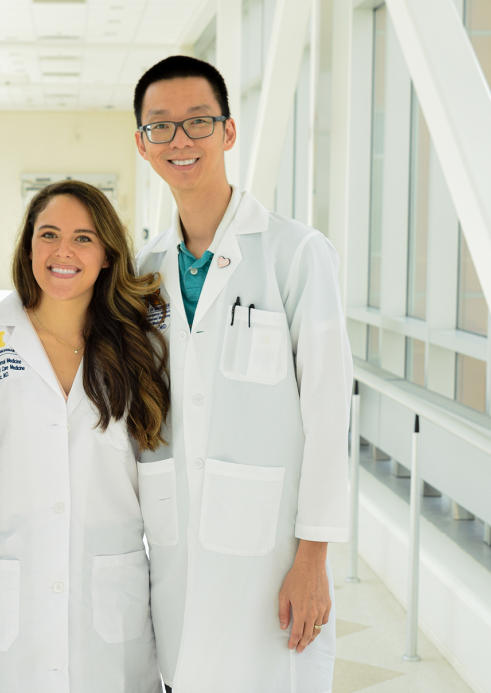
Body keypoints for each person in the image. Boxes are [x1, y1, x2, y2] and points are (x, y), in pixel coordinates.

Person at [132, 55, 353, 692]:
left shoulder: (296, 254)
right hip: (177, 554)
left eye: (198, 122)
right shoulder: (144, 270)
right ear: (143, 145)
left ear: (228, 132)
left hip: (272, 555)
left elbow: (328, 411)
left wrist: (314, 557)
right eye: (162, 127)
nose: (181, 141)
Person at [0, 180, 170, 693]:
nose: (63, 251)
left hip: (109, 602)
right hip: (6, 598)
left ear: (106, 254)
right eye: (48, 234)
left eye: (83, 238)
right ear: (28, 246)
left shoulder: (137, 347)